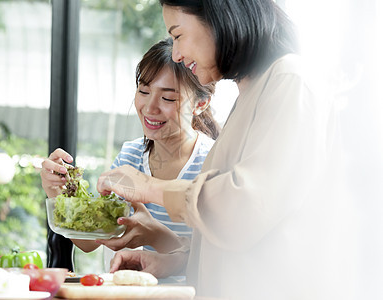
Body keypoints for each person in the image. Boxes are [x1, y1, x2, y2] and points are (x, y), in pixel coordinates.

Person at [97, 0, 346, 299]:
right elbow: (245, 237)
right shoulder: (253, 92)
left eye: (178, 35)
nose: (176, 53)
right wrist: (174, 261)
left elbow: (244, 207)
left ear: (219, 19)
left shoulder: (291, 80)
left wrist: (149, 187)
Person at [40, 38, 220, 276]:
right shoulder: (131, 155)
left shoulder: (213, 160)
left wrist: (157, 237)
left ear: (201, 103)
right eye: (143, 91)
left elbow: (220, 259)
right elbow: (90, 241)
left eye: (167, 98)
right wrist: (57, 193)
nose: (149, 107)